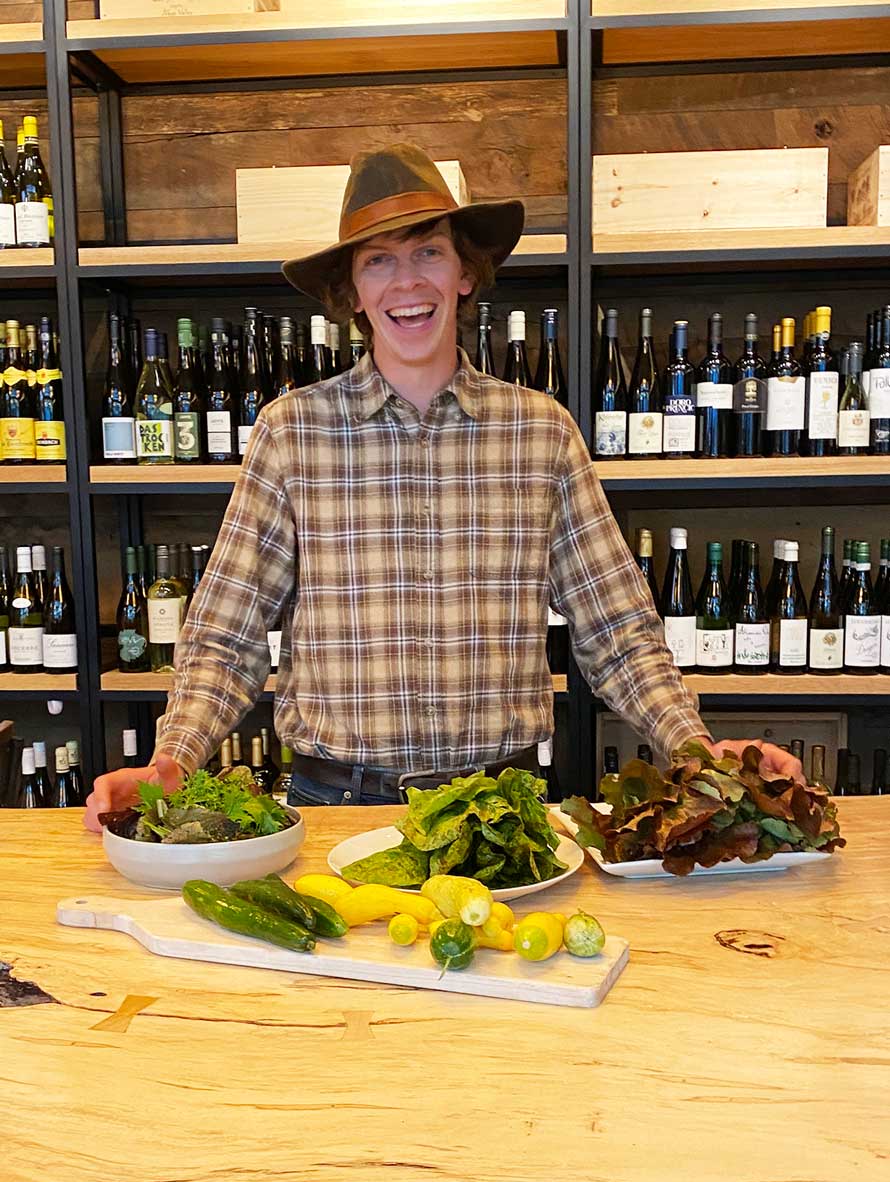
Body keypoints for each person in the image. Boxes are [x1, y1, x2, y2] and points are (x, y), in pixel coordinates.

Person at [85, 145, 799, 830]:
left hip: (501, 813)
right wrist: (173, 758)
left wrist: (696, 750)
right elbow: (224, 636)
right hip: (338, 806)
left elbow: (618, 632)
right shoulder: (291, 433)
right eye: (379, 261)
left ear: (465, 271)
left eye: (429, 251)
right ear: (353, 293)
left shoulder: (541, 433)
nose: (407, 282)